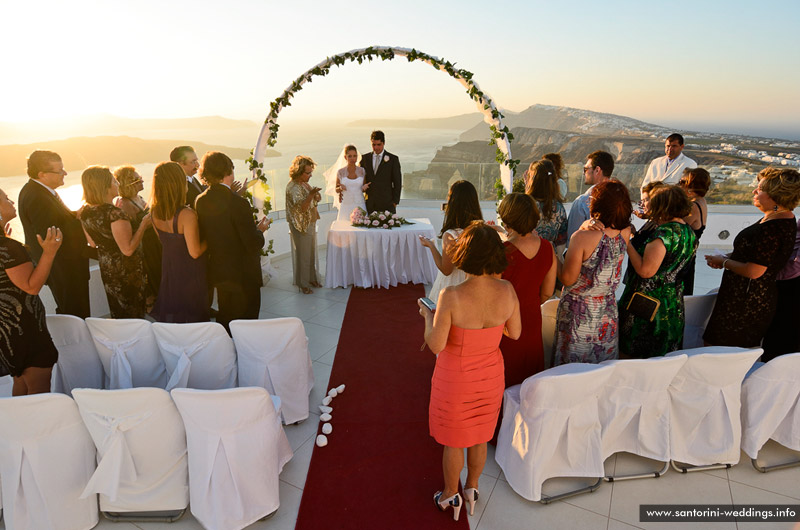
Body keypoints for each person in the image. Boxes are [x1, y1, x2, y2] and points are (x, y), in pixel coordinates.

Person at [419, 221, 521, 521]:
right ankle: (473, 489)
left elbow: (436, 345)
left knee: (454, 441)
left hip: (456, 378)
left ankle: (450, 495)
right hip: (490, 375)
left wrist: (428, 316)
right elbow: (514, 333)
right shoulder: (507, 290)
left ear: (466, 253)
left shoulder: (450, 295)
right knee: (479, 435)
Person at [704, 167, 800, 349]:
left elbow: (755, 270)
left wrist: (723, 262)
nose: (755, 191)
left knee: (717, 350)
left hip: (745, 301)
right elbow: (757, 254)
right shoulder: (776, 218)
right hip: (744, 296)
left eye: (760, 189)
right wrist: (727, 257)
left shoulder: (773, 228)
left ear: (776, 196)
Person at [555, 180, 632, 364]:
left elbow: (567, 278)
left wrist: (552, 256)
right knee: (600, 368)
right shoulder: (626, 232)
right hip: (607, 311)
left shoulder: (582, 237)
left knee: (572, 371)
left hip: (578, 313)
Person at [618, 185, 696, 358]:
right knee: (663, 357)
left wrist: (627, 244)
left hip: (647, 304)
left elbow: (646, 271)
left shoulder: (664, 233)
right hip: (673, 302)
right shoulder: (687, 231)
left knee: (634, 356)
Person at [196, 152, 269, 329]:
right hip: (244, 275)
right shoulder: (239, 203)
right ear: (229, 171)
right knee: (247, 322)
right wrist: (259, 230)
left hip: (220, 271)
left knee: (226, 316)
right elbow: (252, 243)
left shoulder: (201, 200)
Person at [0, 188, 61, 395]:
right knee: (38, 389)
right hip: (24, 329)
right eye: (5, 199)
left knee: (22, 383)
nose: (11, 201)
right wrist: (49, 252)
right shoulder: (8, 248)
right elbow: (32, 286)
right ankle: (41, 427)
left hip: (7, 330)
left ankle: (22, 426)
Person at [18, 150, 90, 317]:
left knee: (74, 311)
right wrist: (81, 221)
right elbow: (50, 234)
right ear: (42, 174)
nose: (64, 173)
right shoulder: (37, 196)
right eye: (59, 171)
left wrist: (74, 215)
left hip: (65, 266)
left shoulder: (41, 191)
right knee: (75, 313)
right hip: (63, 267)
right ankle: (76, 342)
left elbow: (55, 220)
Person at [497, 193, 556, 383]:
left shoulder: (502, 252)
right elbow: (547, 291)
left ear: (507, 219)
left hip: (506, 323)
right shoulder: (547, 248)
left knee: (505, 374)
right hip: (531, 319)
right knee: (528, 377)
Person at [79, 166, 151, 319]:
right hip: (127, 271)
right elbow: (128, 249)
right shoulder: (115, 214)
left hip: (108, 269)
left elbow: (92, 243)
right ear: (104, 186)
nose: (118, 184)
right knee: (134, 313)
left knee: (118, 311)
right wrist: (143, 225)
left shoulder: (86, 212)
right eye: (114, 181)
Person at [150, 162, 209, 323]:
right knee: (194, 317)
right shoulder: (187, 214)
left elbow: (164, 242)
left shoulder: (154, 212)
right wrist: (210, 239)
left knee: (177, 316)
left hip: (170, 270)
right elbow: (194, 252)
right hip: (190, 273)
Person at [419, 180, 483, 303]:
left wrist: (431, 246)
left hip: (453, 288)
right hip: (474, 287)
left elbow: (446, 270)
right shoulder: (481, 230)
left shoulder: (451, 235)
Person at [113, 165, 162, 304]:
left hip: (154, 245)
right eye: (137, 179)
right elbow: (129, 232)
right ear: (128, 183)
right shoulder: (125, 204)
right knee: (154, 279)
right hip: (146, 248)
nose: (142, 180)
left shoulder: (139, 198)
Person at [762, 213, 800, 361]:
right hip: (790, 281)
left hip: (792, 283)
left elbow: (796, 264)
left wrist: (775, 275)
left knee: (784, 335)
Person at [286, 155, 322, 294]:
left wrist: (315, 195)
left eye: (311, 172)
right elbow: (302, 207)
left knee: (311, 253)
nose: (310, 175)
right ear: (299, 172)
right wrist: (311, 195)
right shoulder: (293, 187)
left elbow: (312, 200)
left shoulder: (304, 183)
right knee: (303, 255)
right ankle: (303, 284)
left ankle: (312, 278)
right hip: (300, 225)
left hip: (310, 221)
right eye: (308, 173)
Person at [566, 151, 614, 243]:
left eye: (586, 169)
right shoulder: (621, 199)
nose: (584, 173)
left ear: (597, 170)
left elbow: (572, 239)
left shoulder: (582, 202)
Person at [678, 167, 710, 294]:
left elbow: (676, 228)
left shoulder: (693, 206)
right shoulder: (700, 202)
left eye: (682, 182)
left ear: (691, 185)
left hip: (682, 257)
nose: (679, 185)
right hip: (688, 255)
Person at [525, 159, 567, 250]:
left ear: (532, 180)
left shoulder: (526, 205)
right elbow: (562, 242)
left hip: (528, 254)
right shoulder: (559, 207)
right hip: (551, 257)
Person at [360, 130, 401, 214]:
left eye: (379, 144)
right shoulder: (364, 159)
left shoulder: (393, 159)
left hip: (387, 205)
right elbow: (359, 179)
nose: (376, 148)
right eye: (373, 145)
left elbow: (397, 182)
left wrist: (395, 202)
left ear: (384, 143)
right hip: (369, 205)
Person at [324, 144, 369, 221]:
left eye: (354, 156)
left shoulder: (362, 171)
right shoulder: (340, 172)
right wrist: (340, 188)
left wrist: (364, 188)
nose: (352, 158)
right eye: (350, 156)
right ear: (345, 157)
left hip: (359, 203)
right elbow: (337, 189)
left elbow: (363, 189)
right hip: (346, 204)